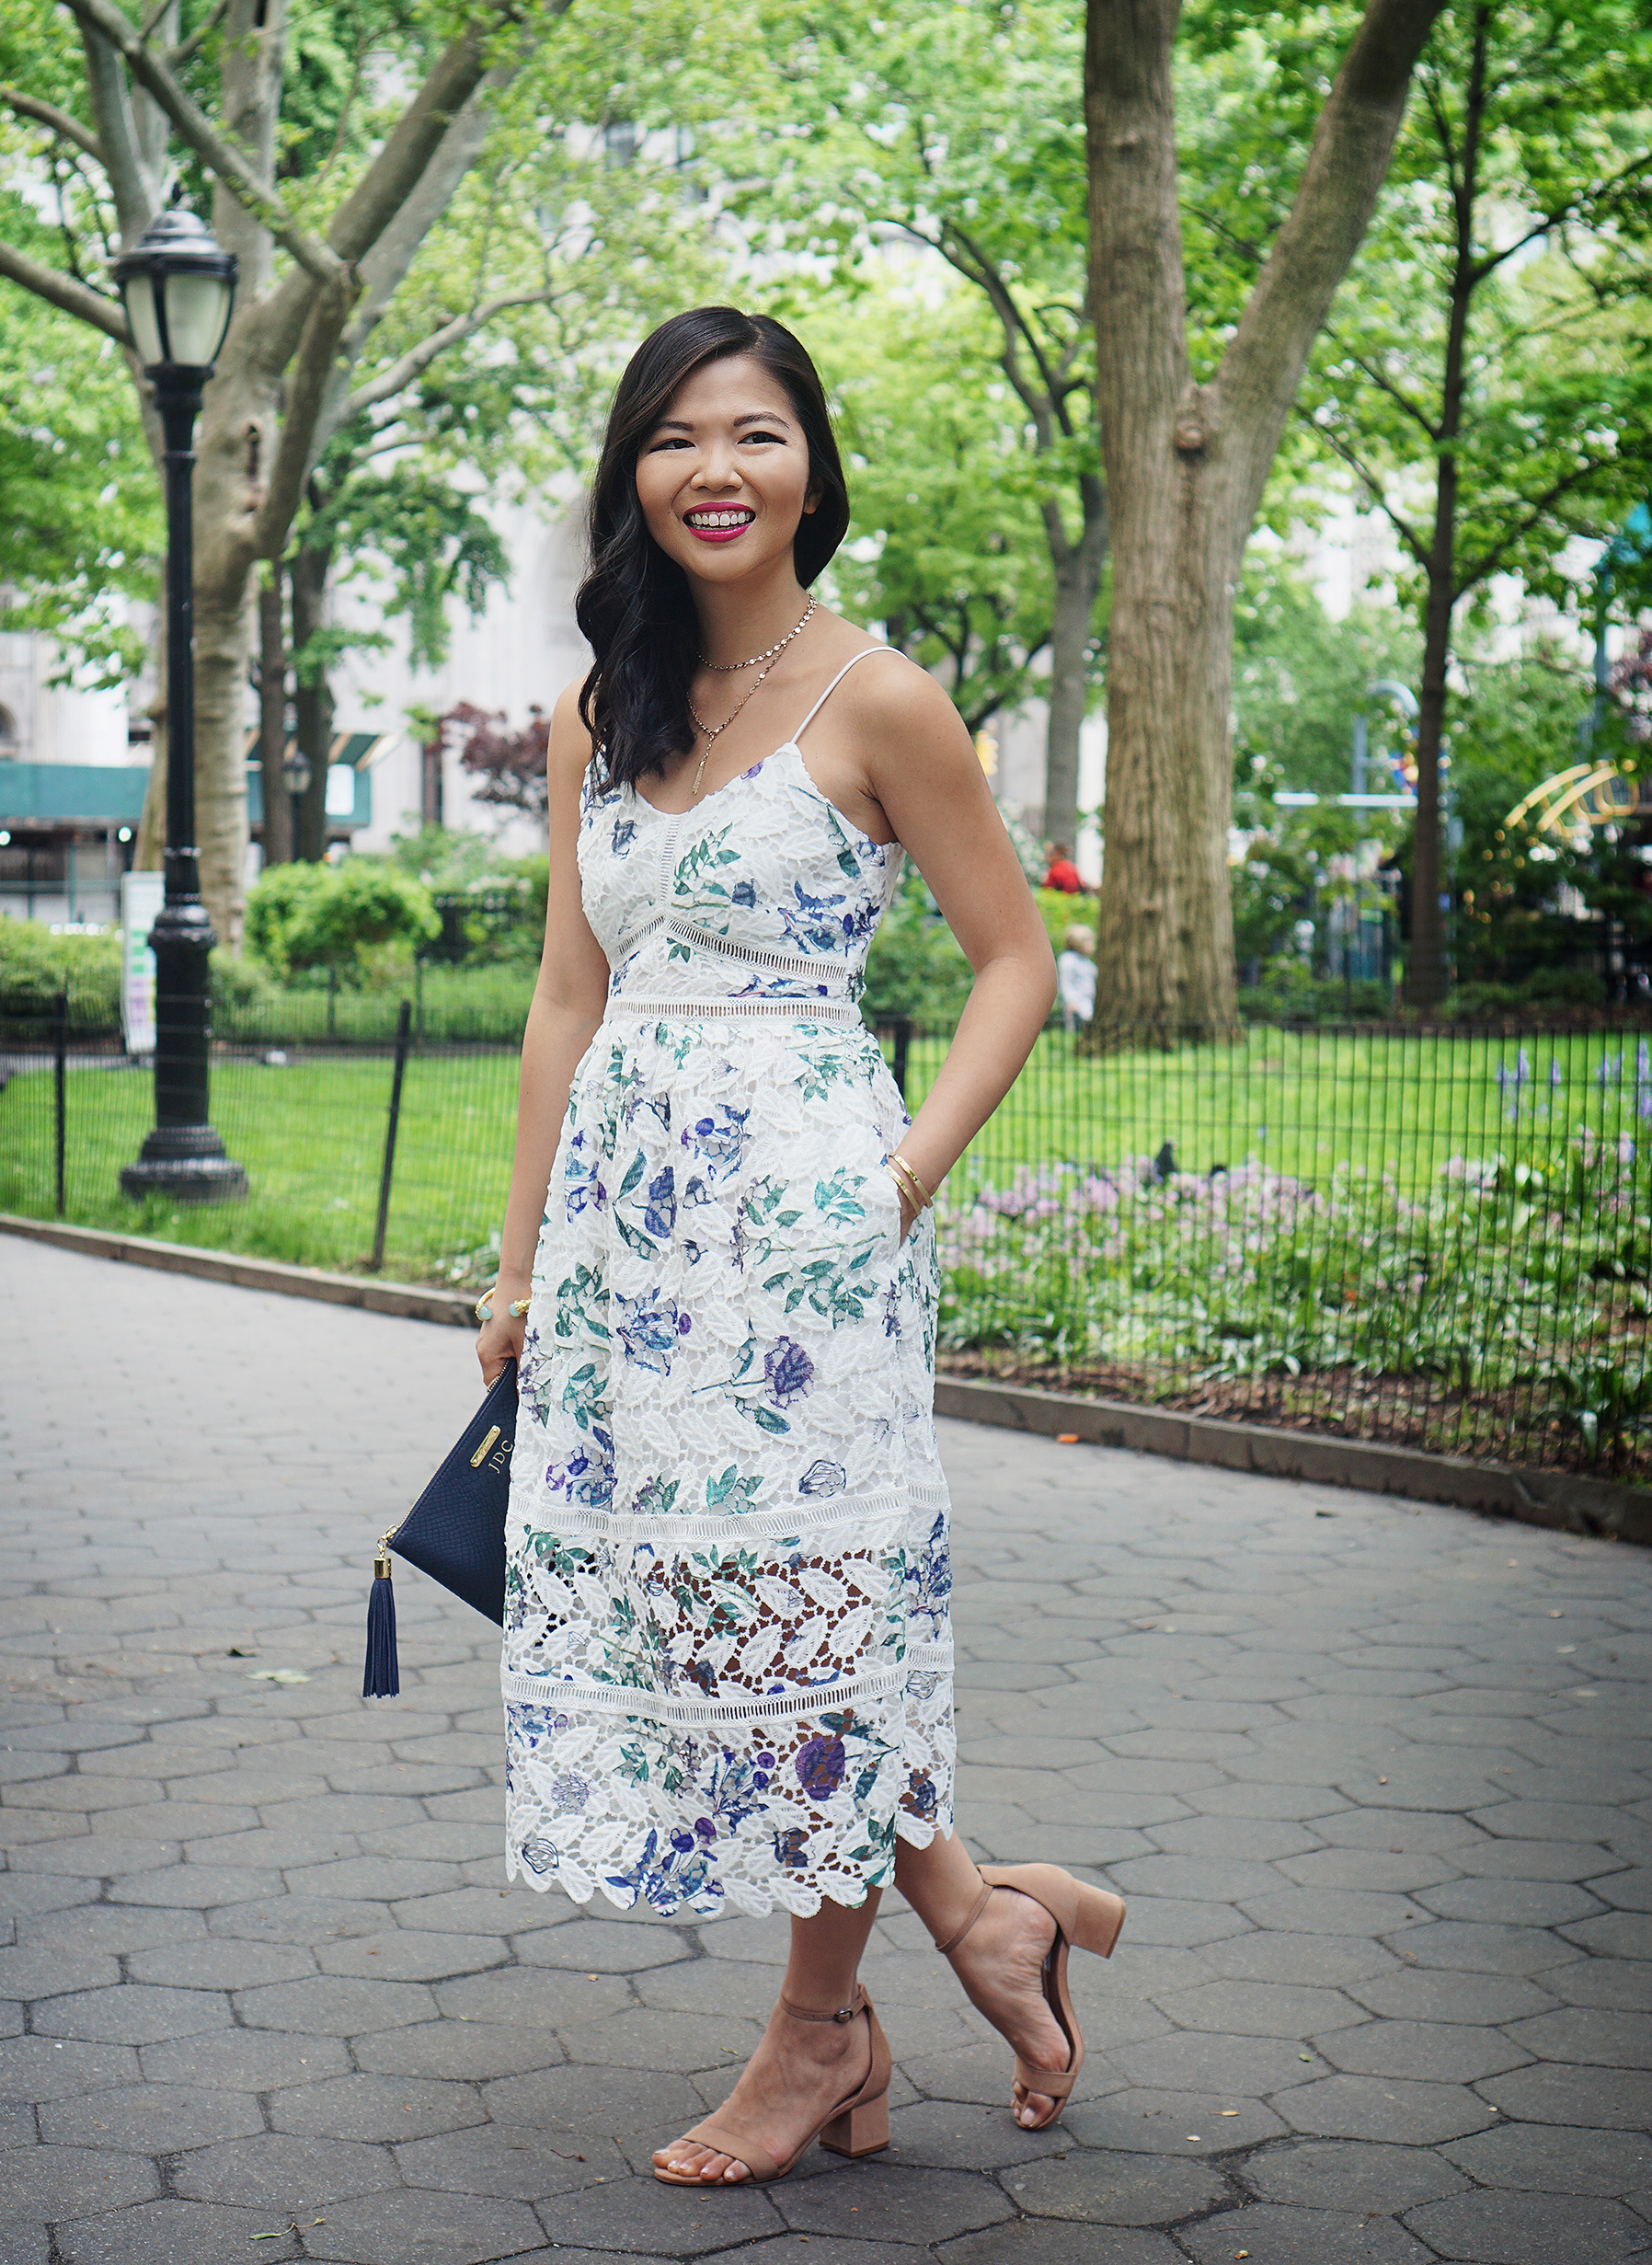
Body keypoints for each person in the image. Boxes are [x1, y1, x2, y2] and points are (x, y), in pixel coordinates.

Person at [476, 306, 1126, 2190]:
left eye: (754, 433)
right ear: (633, 476)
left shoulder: (883, 699)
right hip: (625, 1236)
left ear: (809, 471)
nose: (716, 469)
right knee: (701, 1614)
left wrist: (897, 1182)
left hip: (809, 1234)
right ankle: (985, 1911)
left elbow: (1020, 960)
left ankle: (816, 2034)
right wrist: (517, 1269)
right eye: (677, 437)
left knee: (809, 1605)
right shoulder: (598, 708)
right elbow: (561, 997)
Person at [1057, 921, 1097, 1033]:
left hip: (1089, 1001)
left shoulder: (1086, 961)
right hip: (1077, 1003)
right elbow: (1066, 983)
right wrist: (1071, 1002)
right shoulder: (1068, 960)